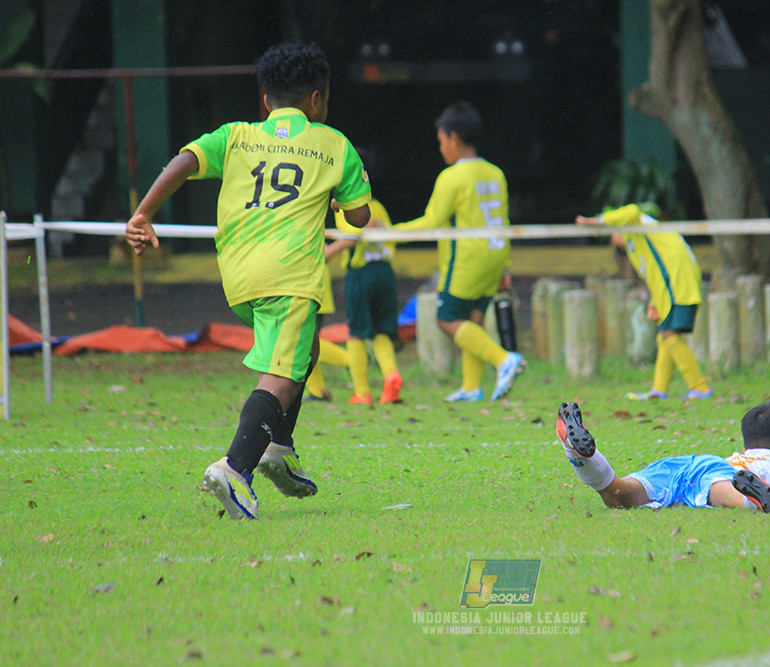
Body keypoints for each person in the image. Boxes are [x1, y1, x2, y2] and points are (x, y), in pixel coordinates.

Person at [124, 42, 372, 520]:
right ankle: (236, 468)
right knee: (280, 377)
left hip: (238, 275)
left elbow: (185, 161)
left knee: (308, 348)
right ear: (317, 101)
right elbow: (360, 217)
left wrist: (142, 214)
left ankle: (279, 447)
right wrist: (339, 198)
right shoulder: (333, 143)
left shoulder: (236, 135)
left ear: (265, 99)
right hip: (291, 273)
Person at [391, 101, 525, 402]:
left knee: (448, 318)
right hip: (494, 255)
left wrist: (389, 233)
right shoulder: (496, 173)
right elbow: (502, 221)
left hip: (466, 259)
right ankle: (471, 387)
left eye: (441, 141)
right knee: (472, 321)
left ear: (453, 138)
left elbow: (431, 222)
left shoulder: (451, 177)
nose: (441, 149)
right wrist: (505, 266)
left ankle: (504, 360)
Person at [555, 399, 770, 513]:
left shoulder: (740, 458)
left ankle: (572, 445)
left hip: (695, 463)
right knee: (724, 490)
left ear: (747, 445)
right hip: (722, 477)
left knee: (619, 494)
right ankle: (749, 499)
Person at [575, 203, 711, 401]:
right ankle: (658, 391)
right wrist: (656, 300)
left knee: (669, 334)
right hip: (673, 283)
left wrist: (597, 221)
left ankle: (700, 388)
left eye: (611, 233)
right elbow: (655, 270)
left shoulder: (636, 222)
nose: (612, 240)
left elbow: (632, 210)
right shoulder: (639, 239)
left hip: (678, 281)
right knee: (664, 335)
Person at [325, 197, 403, 405]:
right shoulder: (377, 206)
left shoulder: (346, 207)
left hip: (361, 273)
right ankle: (391, 375)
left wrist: (329, 252)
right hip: (385, 271)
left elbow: (353, 235)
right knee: (381, 330)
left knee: (356, 332)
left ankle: (361, 392)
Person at [302, 263, 351, 402]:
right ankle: (317, 392)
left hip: (308, 284)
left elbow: (325, 249)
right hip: (306, 282)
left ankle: (352, 360)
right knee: (305, 345)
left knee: (305, 341)